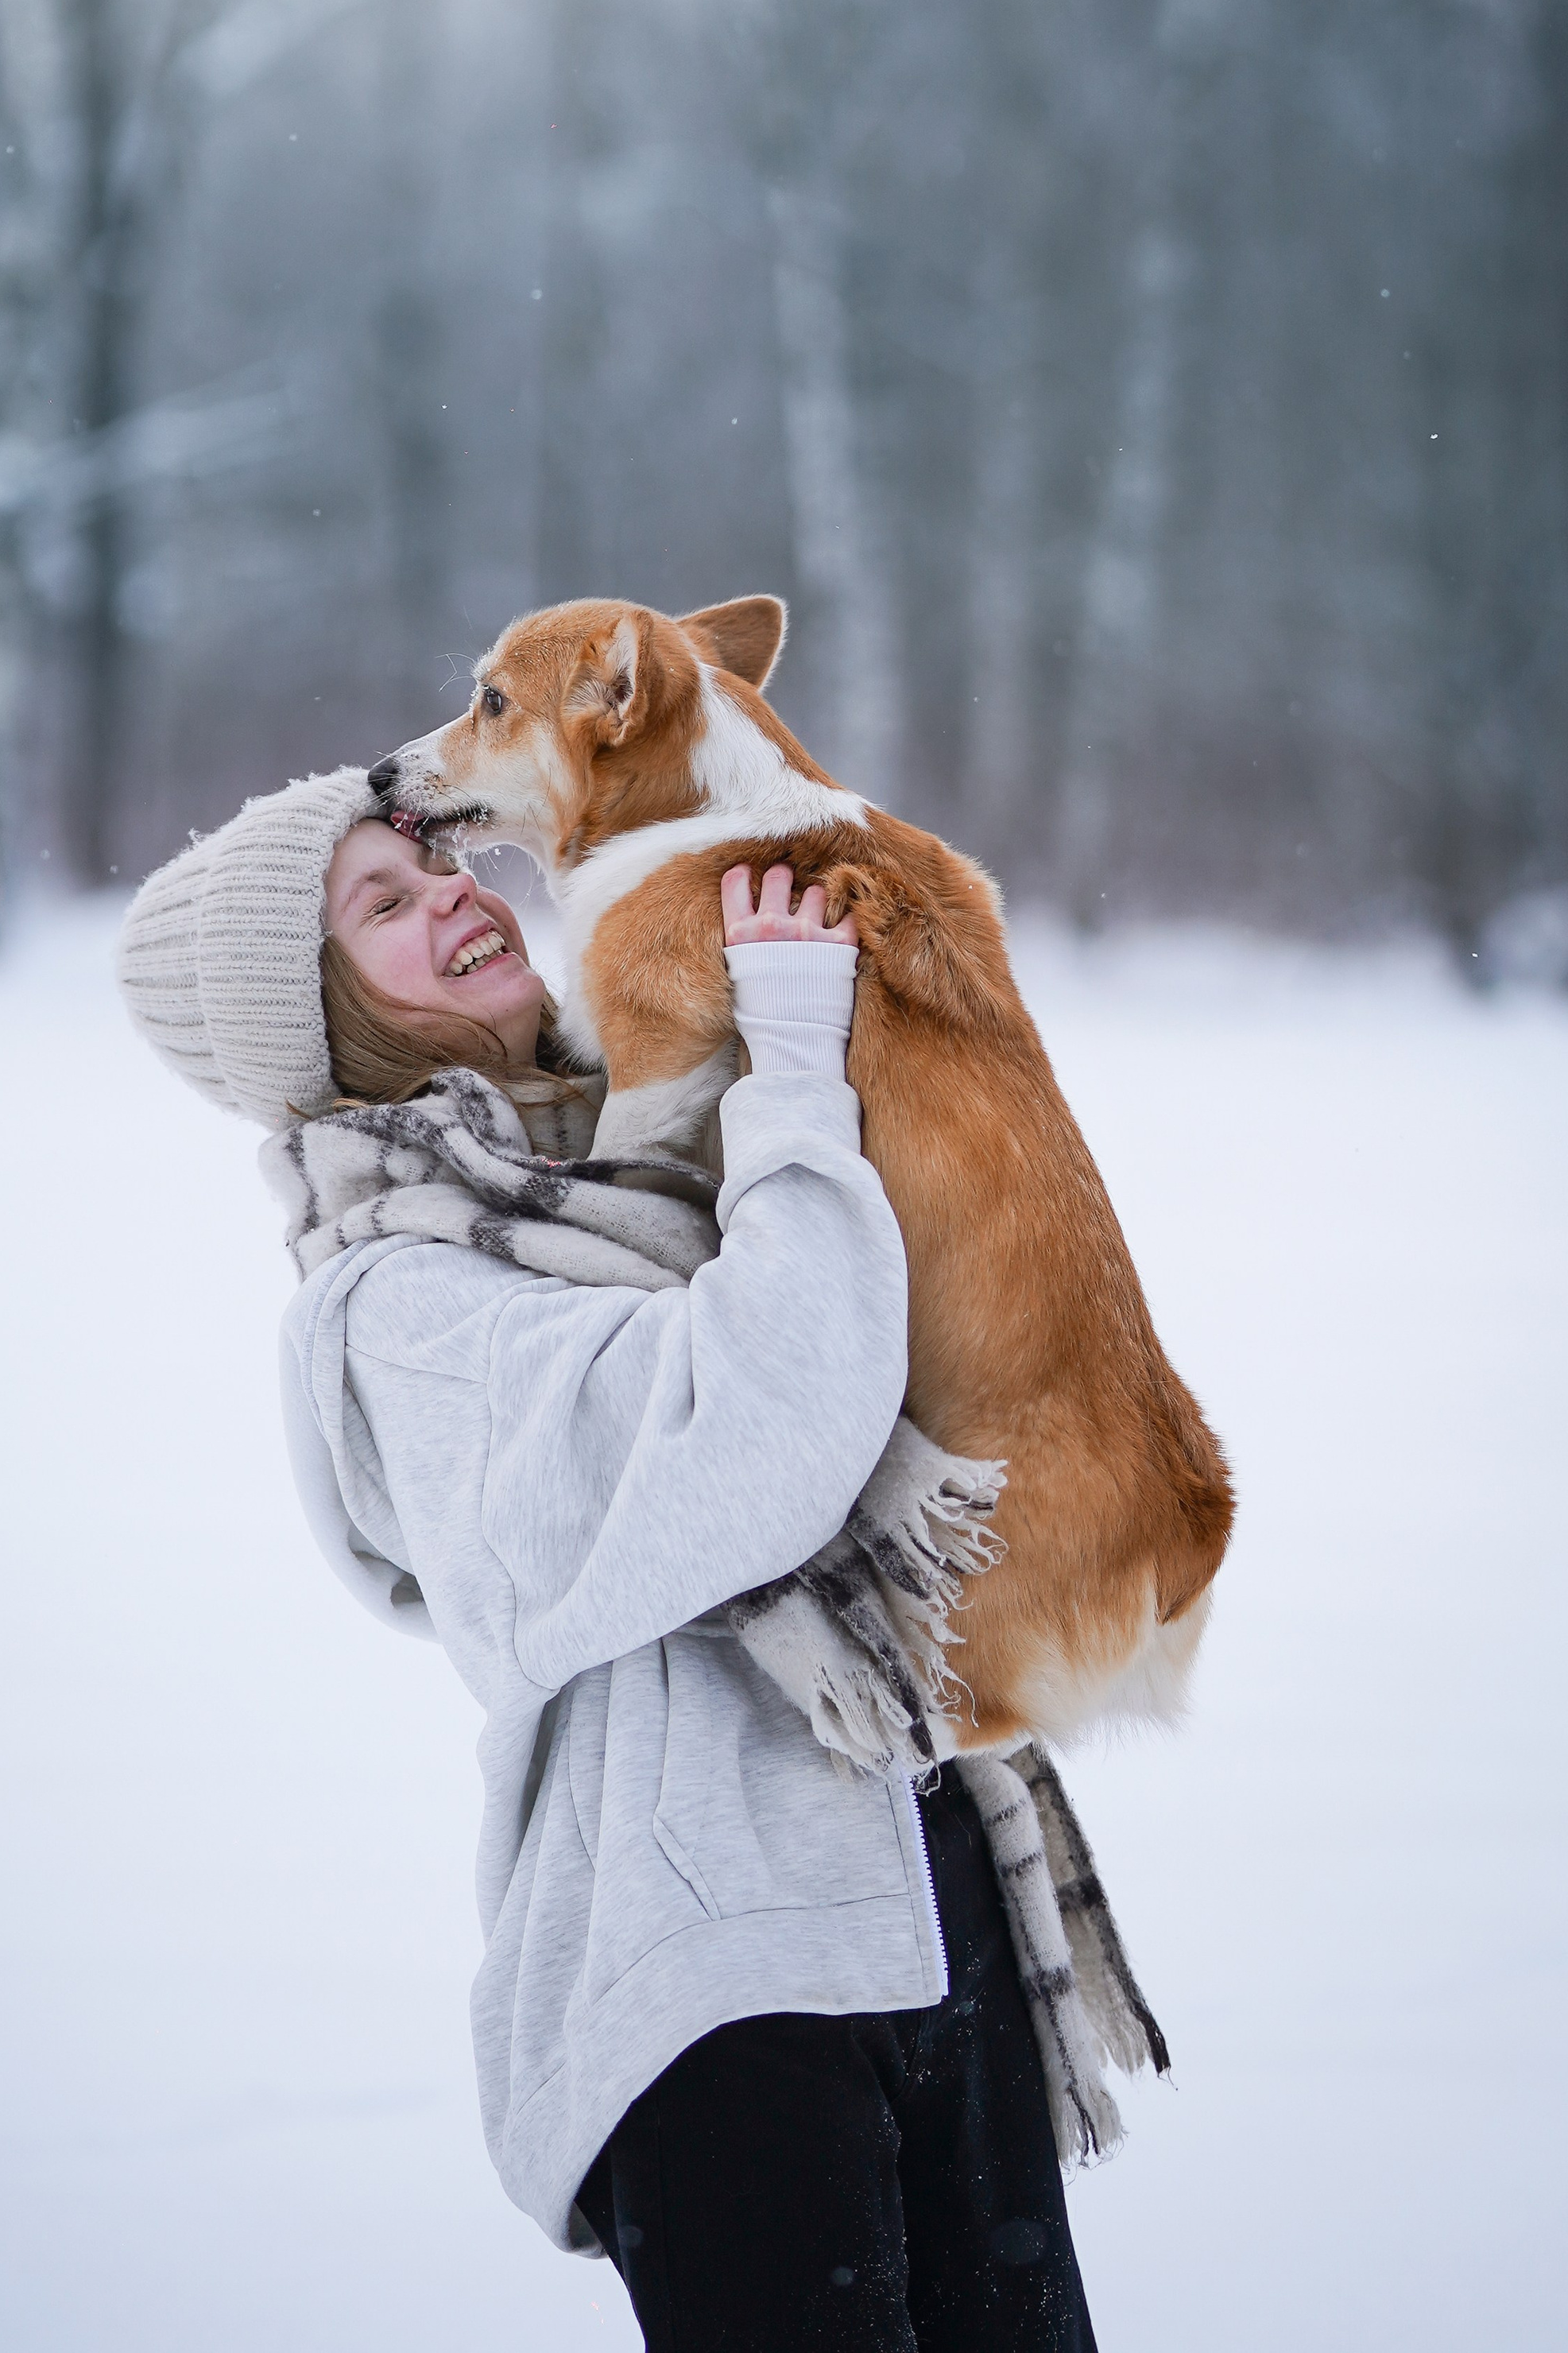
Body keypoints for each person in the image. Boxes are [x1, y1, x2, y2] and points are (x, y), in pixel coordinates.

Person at [117, 769, 1099, 2353]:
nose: (453, 889)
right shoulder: (401, 1311)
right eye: (381, 902)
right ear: (319, 1021)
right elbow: (760, 1423)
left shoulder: (663, 1146)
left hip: (930, 1878)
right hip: (714, 1970)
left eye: (434, 859)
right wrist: (791, 1075)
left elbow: (943, 1340)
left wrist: (809, 1023)